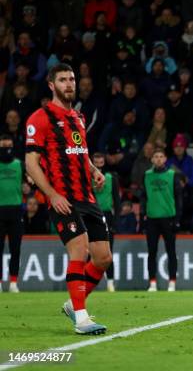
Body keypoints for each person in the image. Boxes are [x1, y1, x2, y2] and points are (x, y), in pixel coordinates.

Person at [25, 63, 111, 335]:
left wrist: (94, 170)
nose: (69, 84)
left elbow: (80, 151)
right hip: (64, 198)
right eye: (63, 80)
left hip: (87, 197)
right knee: (79, 250)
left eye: (72, 79)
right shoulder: (39, 118)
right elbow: (31, 163)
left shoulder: (78, 117)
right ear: (51, 85)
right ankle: (82, 319)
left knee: (103, 258)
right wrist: (51, 194)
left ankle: (74, 304)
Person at [141, 148, 182, 292]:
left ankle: (172, 283)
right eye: (156, 156)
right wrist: (142, 216)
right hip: (152, 218)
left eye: (161, 156)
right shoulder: (146, 175)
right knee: (152, 252)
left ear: (165, 159)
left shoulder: (172, 175)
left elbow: (179, 198)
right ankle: (152, 283)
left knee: (171, 252)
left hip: (168, 218)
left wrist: (177, 219)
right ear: (152, 159)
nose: (158, 159)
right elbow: (143, 197)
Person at [91, 152, 120, 292]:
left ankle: (110, 283)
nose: (99, 161)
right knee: (87, 251)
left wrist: (115, 222)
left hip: (106, 215)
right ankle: (86, 282)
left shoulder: (111, 177)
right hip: (90, 214)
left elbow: (117, 200)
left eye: (101, 158)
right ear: (93, 161)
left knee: (108, 252)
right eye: (96, 159)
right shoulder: (86, 177)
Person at [0, 134, 23, 293]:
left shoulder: (20, 164)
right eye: (3, 147)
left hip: (15, 211)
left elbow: (30, 183)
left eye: (9, 147)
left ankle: (14, 283)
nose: (6, 150)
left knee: (16, 249)